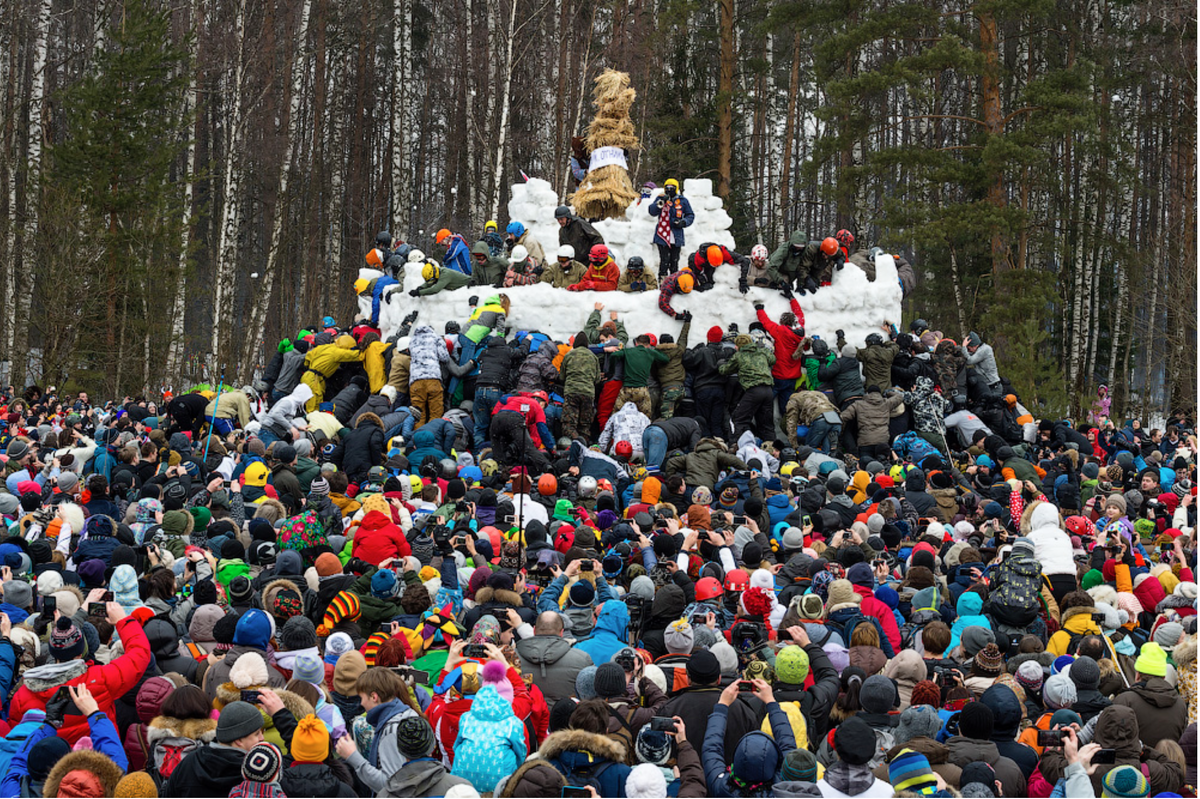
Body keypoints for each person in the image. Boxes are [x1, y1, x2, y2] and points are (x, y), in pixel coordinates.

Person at [719, 334, 776, 442]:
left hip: (753, 391)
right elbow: (772, 360)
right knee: (766, 424)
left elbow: (725, 370)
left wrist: (720, 364)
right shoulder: (761, 351)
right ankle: (772, 450)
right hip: (768, 391)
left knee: (738, 420)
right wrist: (763, 349)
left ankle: (736, 446)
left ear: (738, 346)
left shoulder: (739, 355)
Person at [649, 179, 695, 277]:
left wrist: (683, 222)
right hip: (662, 234)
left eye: (672, 188)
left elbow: (690, 215)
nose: (669, 190)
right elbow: (652, 211)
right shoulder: (660, 197)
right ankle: (662, 280)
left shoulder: (683, 200)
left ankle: (674, 281)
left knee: (674, 261)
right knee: (664, 260)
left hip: (676, 234)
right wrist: (661, 202)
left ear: (676, 188)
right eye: (667, 187)